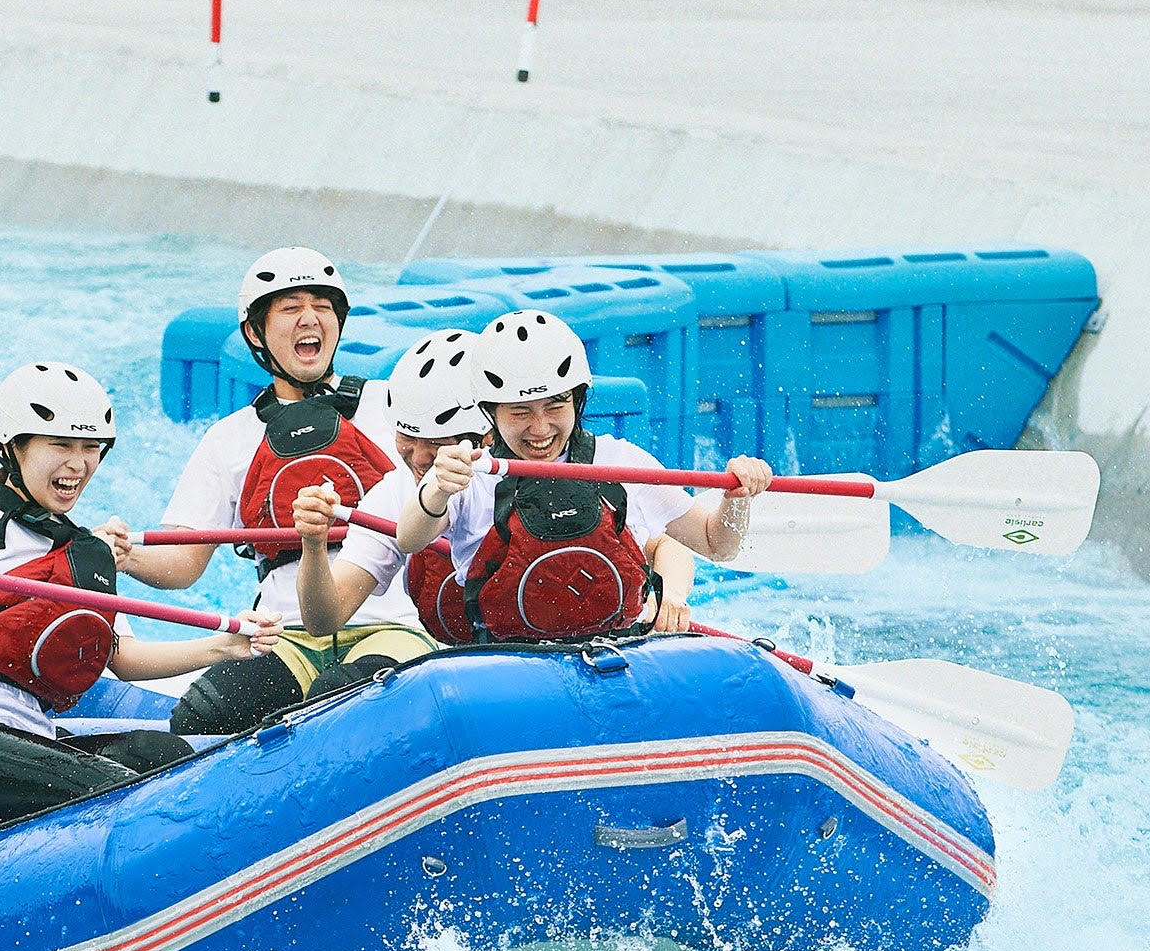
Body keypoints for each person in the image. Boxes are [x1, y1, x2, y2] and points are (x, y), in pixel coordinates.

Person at [0, 362, 276, 824]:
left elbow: (123, 658)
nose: (78, 464)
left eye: (91, 448)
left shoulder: (80, 552)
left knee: (162, 754)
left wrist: (223, 646)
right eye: (60, 444)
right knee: (116, 795)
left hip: (25, 733)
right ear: (12, 448)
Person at [109, 246, 432, 736]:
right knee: (205, 713)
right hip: (285, 637)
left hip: (394, 624)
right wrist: (125, 555)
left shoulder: (397, 406)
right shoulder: (228, 439)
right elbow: (184, 563)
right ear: (255, 332)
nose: (310, 319)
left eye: (323, 307)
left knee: (341, 700)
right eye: (290, 308)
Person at [384, 309, 776, 646]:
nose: (540, 429)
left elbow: (717, 545)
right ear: (491, 413)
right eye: (520, 412)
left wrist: (737, 498)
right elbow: (410, 537)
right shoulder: (473, 473)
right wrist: (435, 489)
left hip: (616, 655)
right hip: (505, 666)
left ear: (578, 400)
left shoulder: (621, 462)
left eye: (555, 405)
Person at [293, 329, 490, 648]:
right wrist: (313, 546)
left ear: (488, 434)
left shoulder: (537, 472)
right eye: (407, 438)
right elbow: (324, 620)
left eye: (438, 443)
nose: (421, 457)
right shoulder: (396, 491)